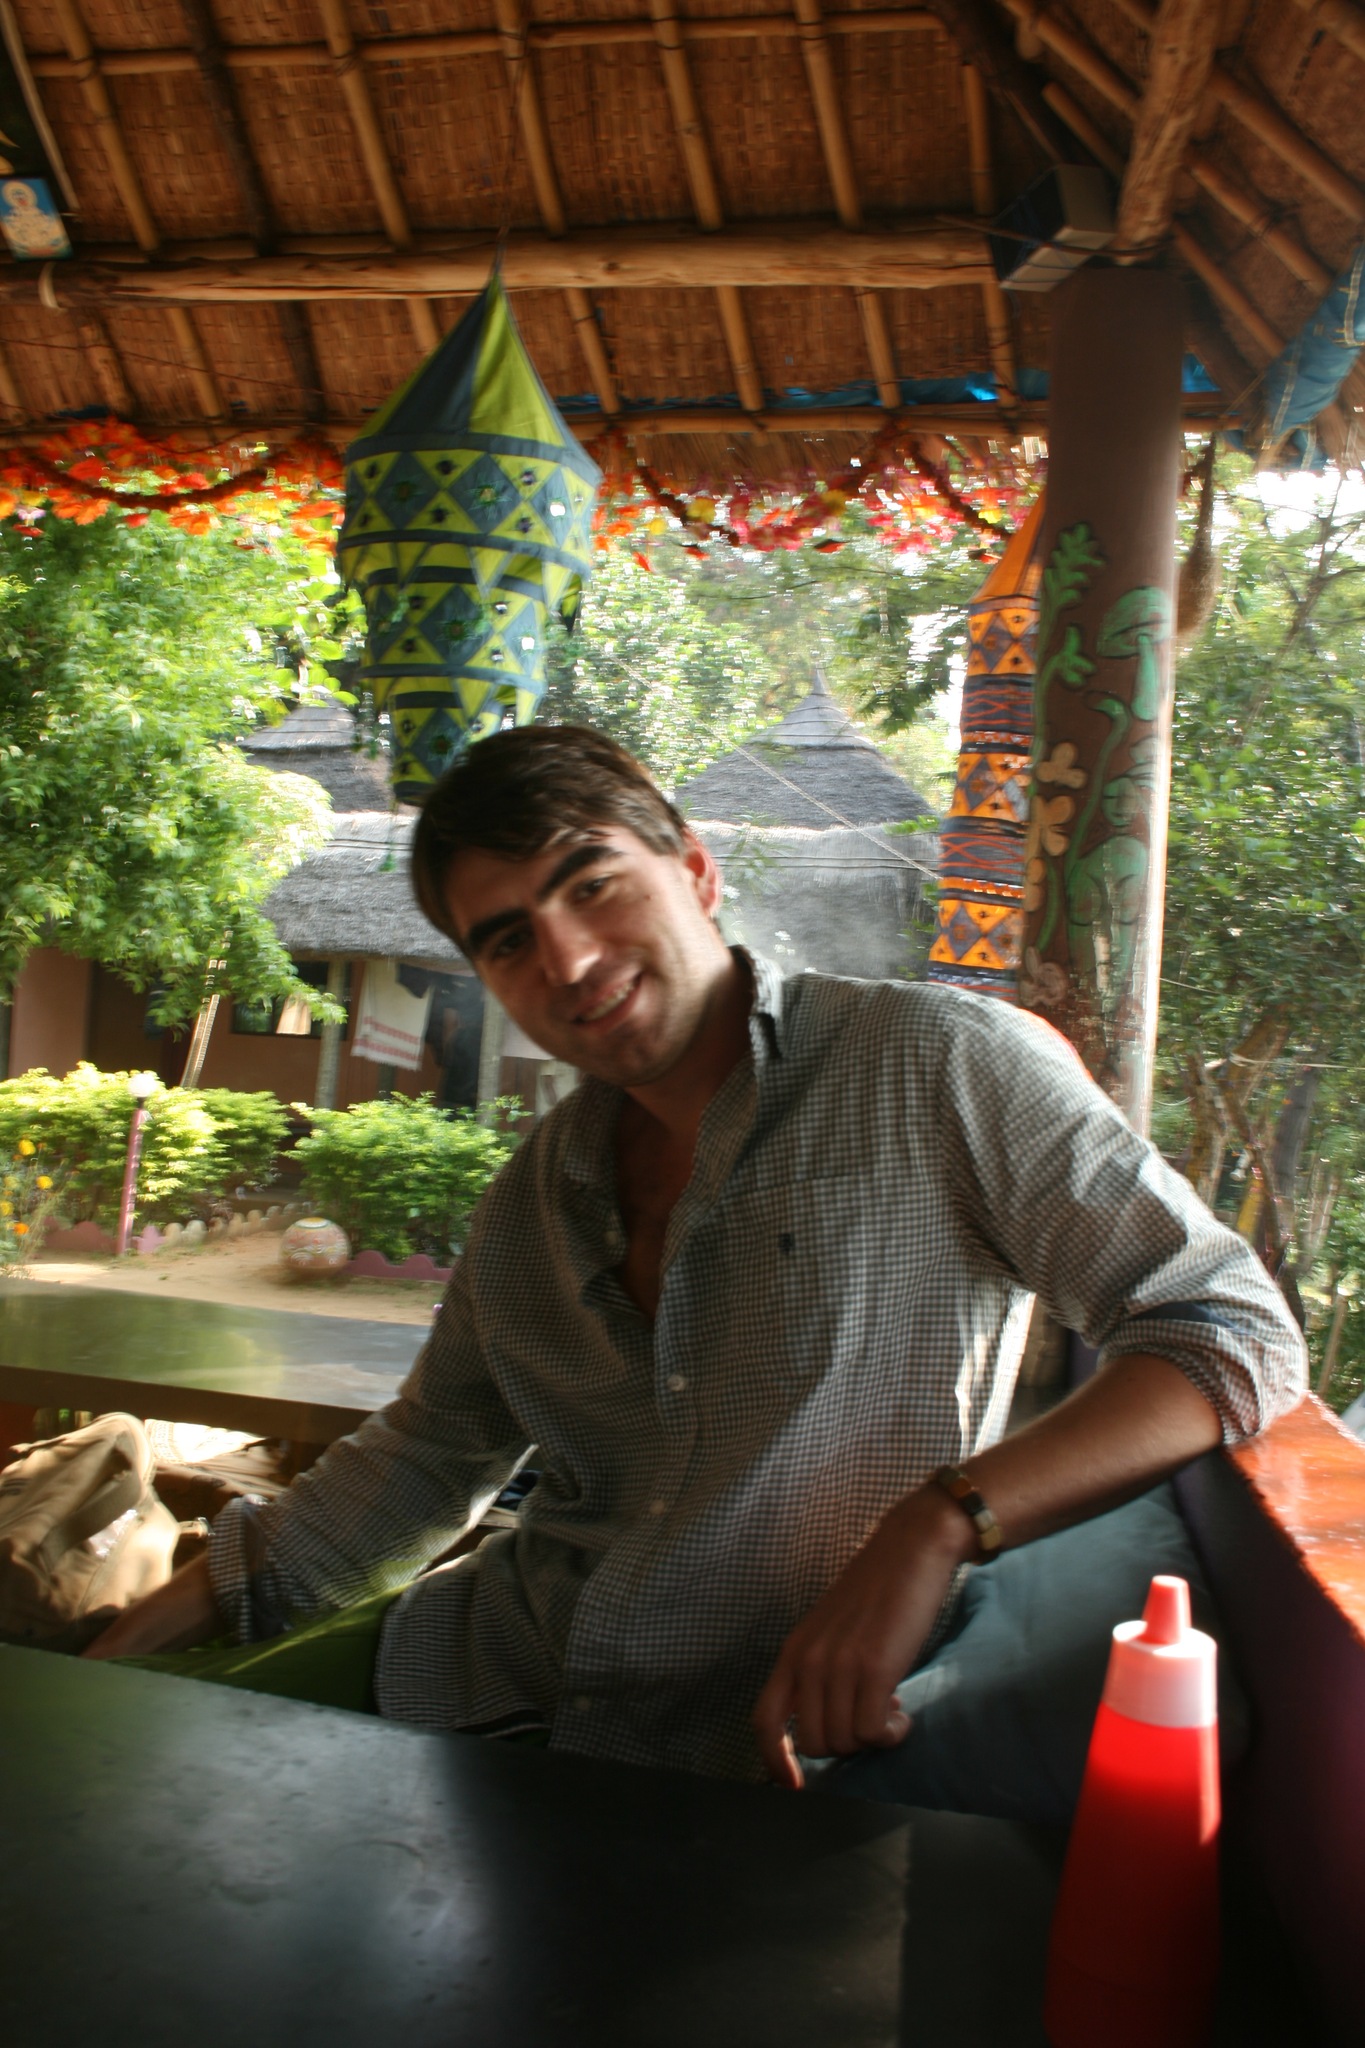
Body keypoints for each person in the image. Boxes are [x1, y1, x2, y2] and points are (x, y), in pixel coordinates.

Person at [89, 724, 1306, 1809]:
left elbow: (1227, 1329)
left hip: (759, 1766)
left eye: (592, 884)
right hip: (484, 1688)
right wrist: (135, 1637)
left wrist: (943, 1520)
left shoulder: (935, 1064)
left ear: (696, 869)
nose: (569, 959)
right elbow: (428, 1453)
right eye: (509, 939)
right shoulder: (536, 1194)